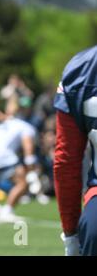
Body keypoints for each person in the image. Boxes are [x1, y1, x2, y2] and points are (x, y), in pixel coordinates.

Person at [54, 45, 97, 256]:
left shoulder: (81, 70)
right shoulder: (81, 71)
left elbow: (66, 161)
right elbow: (66, 160)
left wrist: (71, 235)